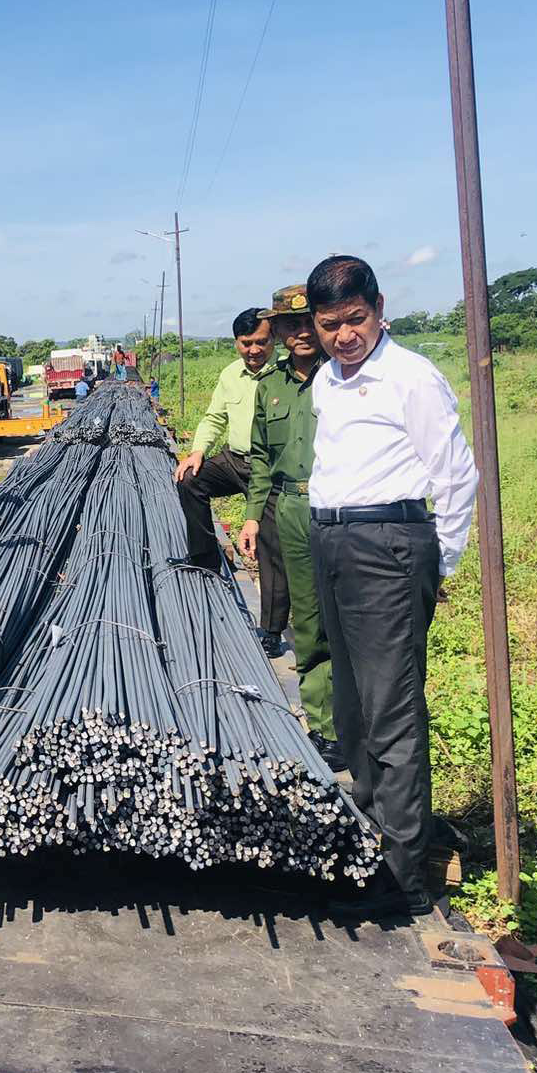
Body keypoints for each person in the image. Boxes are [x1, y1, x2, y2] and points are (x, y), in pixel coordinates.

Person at [304, 255, 478, 919]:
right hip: (333, 540)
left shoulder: (411, 377)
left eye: (356, 319)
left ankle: (402, 876)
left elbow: (455, 476)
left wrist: (439, 564)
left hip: (389, 545)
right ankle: (371, 823)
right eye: (330, 325)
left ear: (379, 308)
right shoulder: (326, 380)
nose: (344, 335)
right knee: (351, 702)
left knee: (391, 708)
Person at [237, 285, 342, 771]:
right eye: (289, 325)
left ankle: (360, 718)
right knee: (309, 622)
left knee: (351, 615)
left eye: (307, 322)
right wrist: (253, 515)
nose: (300, 332)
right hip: (292, 507)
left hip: (342, 505)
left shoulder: (344, 374)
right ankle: (325, 727)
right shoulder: (270, 386)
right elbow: (261, 459)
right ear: (276, 331)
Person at [174, 307, 289, 656]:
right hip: (235, 460)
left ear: (273, 340)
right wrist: (198, 451)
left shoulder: (286, 372)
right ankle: (204, 559)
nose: (254, 350)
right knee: (190, 480)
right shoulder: (230, 375)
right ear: (236, 342)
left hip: (271, 470)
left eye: (261, 342)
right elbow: (214, 418)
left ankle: (272, 629)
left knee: (269, 542)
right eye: (246, 343)